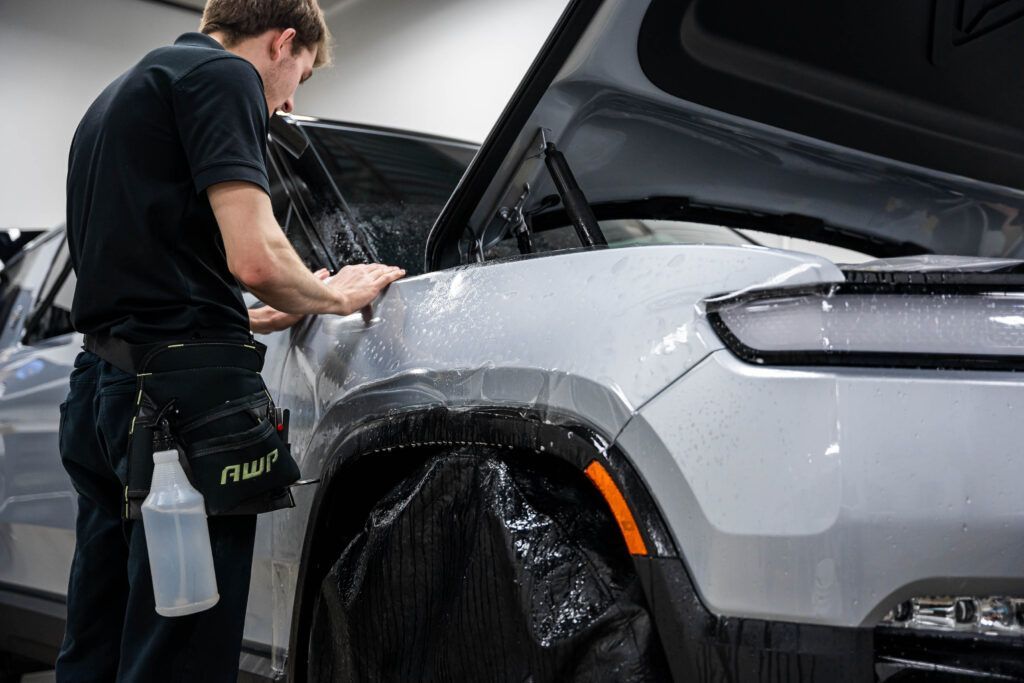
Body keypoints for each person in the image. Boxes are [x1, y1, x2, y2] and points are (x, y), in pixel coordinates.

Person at [57, 1, 405, 680]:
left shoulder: (116, 98)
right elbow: (255, 254)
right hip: (182, 409)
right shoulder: (223, 78)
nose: (287, 101)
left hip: (104, 393)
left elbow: (148, 279)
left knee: (96, 640)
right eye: (298, 76)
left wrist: (252, 315)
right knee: (178, 652)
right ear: (282, 43)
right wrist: (335, 294)